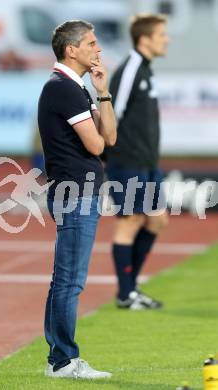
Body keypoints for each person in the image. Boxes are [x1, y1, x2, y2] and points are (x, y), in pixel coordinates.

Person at [38, 20, 116, 379]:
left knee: (66, 280)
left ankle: (60, 357)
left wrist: (103, 91)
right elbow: (97, 145)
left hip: (80, 191)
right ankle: (62, 361)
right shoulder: (63, 89)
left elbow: (111, 137)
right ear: (72, 50)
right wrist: (96, 101)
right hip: (74, 193)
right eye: (91, 43)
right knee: (70, 281)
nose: (97, 49)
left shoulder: (77, 87)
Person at [105, 14, 170, 310]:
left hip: (147, 162)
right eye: (161, 34)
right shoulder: (131, 67)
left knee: (157, 220)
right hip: (127, 161)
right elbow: (112, 112)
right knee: (130, 221)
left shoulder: (145, 69)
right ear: (144, 39)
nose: (166, 39)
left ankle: (130, 288)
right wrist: (107, 151)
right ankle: (126, 293)